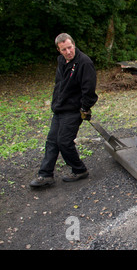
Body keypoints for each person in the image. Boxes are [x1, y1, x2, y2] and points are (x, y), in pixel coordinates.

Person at [30, 33, 98, 187]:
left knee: (64, 142)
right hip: (60, 108)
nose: (68, 51)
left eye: (70, 47)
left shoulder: (84, 63)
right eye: (64, 49)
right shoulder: (61, 61)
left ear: (74, 44)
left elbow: (89, 90)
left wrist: (84, 108)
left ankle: (79, 170)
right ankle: (45, 175)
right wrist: (56, 103)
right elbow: (59, 84)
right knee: (52, 141)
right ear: (59, 50)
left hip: (74, 110)